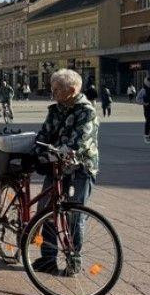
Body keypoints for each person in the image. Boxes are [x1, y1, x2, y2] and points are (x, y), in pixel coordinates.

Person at [30, 68, 99, 275]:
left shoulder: (87, 111)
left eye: (57, 89)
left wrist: (59, 152)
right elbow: (44, 135)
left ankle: (73, 260)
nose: (54, 93)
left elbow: (79, 142)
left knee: (75, 216)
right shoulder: (55, 109)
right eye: (53, 88)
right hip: (56, 166)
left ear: (72, 89)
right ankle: (48, 259)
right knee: (48, 212)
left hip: (81, 168)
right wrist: (36, 151)